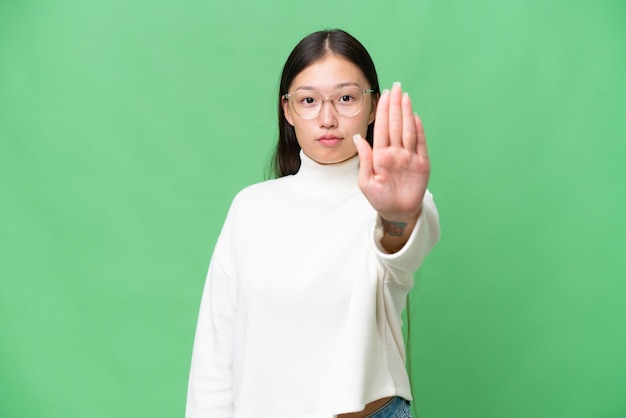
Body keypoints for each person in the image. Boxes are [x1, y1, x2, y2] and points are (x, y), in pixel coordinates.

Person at [186, 29, 440, 418]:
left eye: (345, 98)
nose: (327, 118)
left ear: (372, 106)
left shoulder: (394, 202)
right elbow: (216, 355)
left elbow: (400, 251)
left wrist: (397, 217)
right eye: (308, 100)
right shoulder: (251, 207)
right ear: (287, 110)